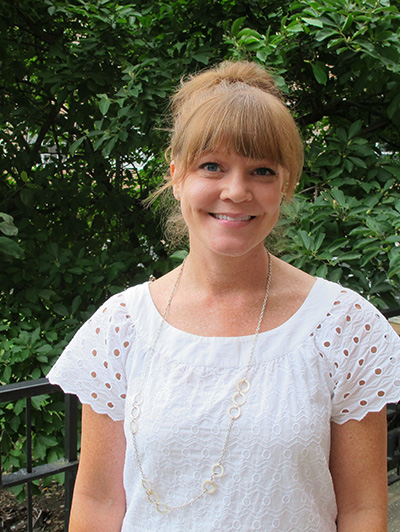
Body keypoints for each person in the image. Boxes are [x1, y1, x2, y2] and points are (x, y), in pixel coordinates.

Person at [48, 60, 400, 532]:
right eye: (212, 166)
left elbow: (361, 510)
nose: (236, 191)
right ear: (176, 176)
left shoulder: (344, 325)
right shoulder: (121, 326)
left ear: (286, 184)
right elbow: (98, 500)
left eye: (261, 171)